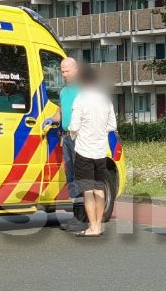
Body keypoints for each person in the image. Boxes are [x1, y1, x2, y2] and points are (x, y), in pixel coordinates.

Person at [67, 67, 117, 237]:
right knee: (99, 188)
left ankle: (93, 226)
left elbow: (74, 126)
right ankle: (99, 227)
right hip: (101, 151)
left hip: (84, 151)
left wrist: (73, 134)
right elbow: (112, 126)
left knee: (87, 190)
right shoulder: (105, 100)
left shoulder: (80, 99)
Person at [48, 57, 87, 232]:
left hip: (80, 137)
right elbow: (60, 113)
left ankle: (83, 218)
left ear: (76, 69)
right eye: (62, 71)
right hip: (67, 137)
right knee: (71, 177)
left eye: (67, 71)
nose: (64, 74)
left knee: (80, 176)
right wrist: (50, 120)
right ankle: (76, 216)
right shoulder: (64, 91)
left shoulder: (84, 89)